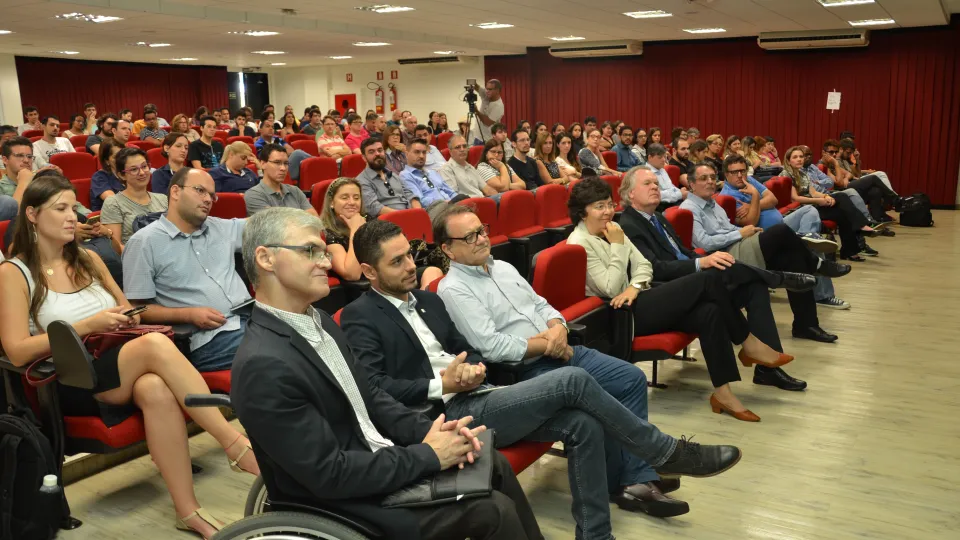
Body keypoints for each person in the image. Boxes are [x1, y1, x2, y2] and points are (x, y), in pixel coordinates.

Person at [342, 219, 744, 531]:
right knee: (572, 381)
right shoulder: (360, 317)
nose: (411, 266)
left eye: (410, 255)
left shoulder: (428, 300)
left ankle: (595, 534)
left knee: (583, 423)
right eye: (396, 262)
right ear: (369, 271)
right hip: (442, 420)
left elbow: (473, 351)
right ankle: (664, 452)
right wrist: (441, 384)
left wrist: (472, 367)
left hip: (479, 392)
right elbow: (375, 389)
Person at [231, 207, 544, 540]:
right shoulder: (262, 364)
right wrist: (429, 455)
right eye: (311, 251)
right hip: (342, 498)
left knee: (487, 458)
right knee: (492, 510)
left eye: (324, 251)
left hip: (377, 459)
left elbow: (370, 395)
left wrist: (430, 431)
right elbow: (329, 474)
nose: (326, 262)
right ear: (265, 259)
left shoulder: (318, 321)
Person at [0, 173, 258, 540]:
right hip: (73, 375)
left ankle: (188, 511)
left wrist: (123, 319)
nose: (73, 216)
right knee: (154, 347)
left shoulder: (89, 259)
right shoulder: (14, 272)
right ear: (31, 215)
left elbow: (130, 311)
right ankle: (234, 443)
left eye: (73, 207)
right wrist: (88, 325)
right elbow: (15, 349)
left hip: (120, 359)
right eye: (60, 209)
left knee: (155, 388)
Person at [567, 178, 796, 420]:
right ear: (583, 212)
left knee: (709, 311)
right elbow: (611, 289)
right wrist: (617, 248)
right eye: (599, 207)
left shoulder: (613, 229)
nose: (608, 211)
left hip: (638, 298)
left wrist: (634, 286)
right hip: (620, 316)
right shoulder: (581, 242)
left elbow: (644, 266)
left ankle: (723, 394)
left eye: (609, 204)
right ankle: (748, 342)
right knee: (707, 279)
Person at [619, 168, 812, 392]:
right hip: (670, 290)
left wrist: (706, 259)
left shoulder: (657, 217)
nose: (655, 186)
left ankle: (767, 370)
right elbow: (655, 269)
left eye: (656, 182)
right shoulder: (629, 225)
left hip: (690, 278)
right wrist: (701, 263)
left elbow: (684, 252)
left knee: (753, 286)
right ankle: (779, 279)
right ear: (630, 193)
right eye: (647, 184)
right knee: (716, 272)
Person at [681, 162, 851, 343]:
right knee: (781, 231)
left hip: (740, 245)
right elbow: (704, 243)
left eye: (713, 178)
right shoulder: (689, 208)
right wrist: (740, 232)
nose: (710, 182)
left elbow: (727, 228)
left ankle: (806, 325)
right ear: (691, 184)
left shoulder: (714, 204)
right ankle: (818, 264)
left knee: (794, 261)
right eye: (703, 178)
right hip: (726, 257)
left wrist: (748, 231)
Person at [124, 168, 251, 372]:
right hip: (207, 340)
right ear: (175, 192)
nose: (208, 199)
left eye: (212, 195)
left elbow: (265, 225)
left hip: (250, 321)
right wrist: (188, 314)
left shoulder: (220, 227)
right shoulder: (144, 242)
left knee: (310, 325)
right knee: (283, 345)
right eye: (200, 190)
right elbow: (137, 309)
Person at [320, 177, 443, 286]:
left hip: (392, 271)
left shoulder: (368, 219)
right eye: (344, 197)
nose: (352, 202)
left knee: (432, 272)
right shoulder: (328, 233)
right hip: (373, 284)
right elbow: (352, 274)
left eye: (356, 198)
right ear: (331, 202)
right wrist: (356, 230)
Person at [781, 146, 875, 262]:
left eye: (801, 156)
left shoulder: (802, 173)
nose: (800, 159)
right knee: (842, 196)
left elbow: (814, 193)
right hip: (801, 210)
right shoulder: (786, 174)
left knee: (842, 212)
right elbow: (795, 199)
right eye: (795, 157)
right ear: (788, 160)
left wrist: (825, 197)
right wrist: (819, 201)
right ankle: (861, 225)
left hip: (812, 205)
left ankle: (849, 250)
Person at [719, 154, 835, 247]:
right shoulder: (728, 196)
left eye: (743, 171)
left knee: (809, 210)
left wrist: (750, 206)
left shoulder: (748, 180)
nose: (740, 175)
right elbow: (750, 223)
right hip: (765, 235)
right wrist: (755, 195)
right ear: (726, 175)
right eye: (734, 172)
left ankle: (805, 245)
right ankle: (808, 252)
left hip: (782, 224)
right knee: (809, 247)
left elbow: (773, 200)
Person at [101, 148, 168, 252]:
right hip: (136, 260)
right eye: (133, 169)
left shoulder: (162, 199)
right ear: (121, 175)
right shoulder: (113, 203)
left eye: (144, 166)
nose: (142, 173)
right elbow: (116, 247)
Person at [836, 138, 899, 222]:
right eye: (848, 153)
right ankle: (894, 199)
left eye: (850, 153)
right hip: (845, 186)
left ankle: (877, 218)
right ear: (841, 149)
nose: (849, 155)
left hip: (853, 182)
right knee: (874, 178)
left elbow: (857, 174)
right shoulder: (836, 160)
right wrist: (849, 176)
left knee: (875, 191)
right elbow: (844, 175)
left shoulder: (846, 160)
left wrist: (857, 160)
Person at [244, 143, 316, 216]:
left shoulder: (295, 191)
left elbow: (315, 219)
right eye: (277, 162)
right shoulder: (253, 195)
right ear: (263, 164)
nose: (283, 168)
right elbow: (275, 225)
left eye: (286, 163)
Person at [400, 138, 464, 219]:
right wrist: (447, 202)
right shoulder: (406, 175)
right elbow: (420, 200)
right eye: (417, 152)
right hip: (434, 213)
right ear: (406, 154)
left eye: (424, 152)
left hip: (452, 208)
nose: (421, 156)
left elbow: (450, 192)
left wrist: (460, 201)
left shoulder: (433, 173)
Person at [356, 138, 421, 216]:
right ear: (363, 158)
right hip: (388, 222)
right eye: (371, 152)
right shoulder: (361, 180)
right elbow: (374, 207)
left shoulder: (393, 175)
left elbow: (410, 194)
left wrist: (418, 212)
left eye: (380, 150)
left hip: (409, 215)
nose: (377, 154)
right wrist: (404, 216)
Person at [646, 143, 685, 210]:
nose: (664, 160)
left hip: (673, 201)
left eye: (665, 157)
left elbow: (671, 187)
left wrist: (681, 191)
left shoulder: (661, 169)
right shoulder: (646, 173)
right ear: (650, 157)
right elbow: (658, 195)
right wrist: (680, 194)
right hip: (659, 207)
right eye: (660, 157)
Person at [90, 138, 125, 212]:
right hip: (108, 218)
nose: (120, 159)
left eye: (122, 155)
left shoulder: (128, 173)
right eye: (116, 157)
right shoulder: (99, 177)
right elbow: (114, 202)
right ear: (107, 161)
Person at [469, 79, 505, 144]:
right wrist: (473, 83)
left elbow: (487, 122)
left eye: (490, 89)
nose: (487, 91)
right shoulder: (486, 95)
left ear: (497, 90)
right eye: (487, 89)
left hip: (487, 140)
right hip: (477, 137)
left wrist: (476, 111)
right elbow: (478, 88)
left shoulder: (498, 106)